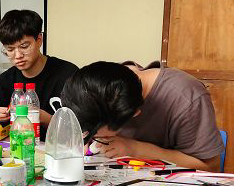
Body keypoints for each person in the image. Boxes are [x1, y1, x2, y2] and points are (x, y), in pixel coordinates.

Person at [61, 61, 223, 171]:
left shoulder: (186, 98)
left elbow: (210, 166)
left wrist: (136, 149)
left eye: (101, 136)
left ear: (134, 114)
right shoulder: (101, 83)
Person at [0, 9, 78, 138]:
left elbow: (81, 131)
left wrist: (42, 117)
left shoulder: (68, 75)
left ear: (39, 40)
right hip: (18, 147)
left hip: (59, 148)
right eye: (10, 49)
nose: (18, 55)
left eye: (24, 46)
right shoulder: (4, 80)